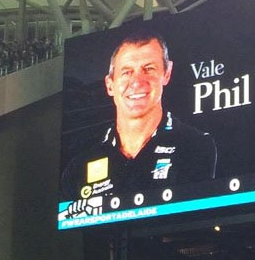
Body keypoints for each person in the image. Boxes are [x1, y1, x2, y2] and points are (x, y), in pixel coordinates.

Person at [60, 30, 217, 214]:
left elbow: (193, 220)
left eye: (149, 69)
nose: (137, 82)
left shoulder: (195, 145)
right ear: (110, 84)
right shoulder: (80, 165)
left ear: (167, 73)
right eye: (126, 72)